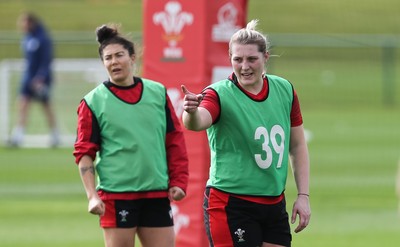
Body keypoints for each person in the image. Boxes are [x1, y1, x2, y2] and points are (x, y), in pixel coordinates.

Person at [181, 19, 311, 247]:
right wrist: (190, 112)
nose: (244, 66)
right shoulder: (218, 94)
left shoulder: (285, 90)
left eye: (252, 59)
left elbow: (297, 145)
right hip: (231, 204)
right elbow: (198, 121)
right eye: (237, 59)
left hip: (274, 203)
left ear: (266, 58)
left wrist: (303, 195)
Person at [73, 23, 189, 247]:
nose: (114, 62)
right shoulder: (93, 102)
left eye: (119, 55)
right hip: (117, 196)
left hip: (156, 193)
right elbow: (84, 153)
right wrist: (91, 196)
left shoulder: (157, 92)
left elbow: (174, 140)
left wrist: (179, 181)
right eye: (108, 58)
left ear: (133, 57)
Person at [9, 12, 59, 147]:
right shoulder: (27, 38)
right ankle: (17, 136)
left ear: (31, 23)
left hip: (41, 79)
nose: (21, 26)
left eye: (23, 22)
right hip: (28, 78)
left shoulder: (43, 38)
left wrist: (40, 78)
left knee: (46, 106)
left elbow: (46, 60)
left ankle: (55, 135)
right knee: (22, 104)